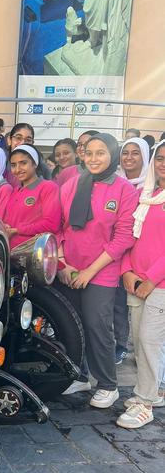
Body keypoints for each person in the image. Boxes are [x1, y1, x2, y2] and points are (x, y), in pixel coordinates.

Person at [56, 133, 139, 409]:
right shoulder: (71, 184)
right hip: (70, 266)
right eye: (89, 153)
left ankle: (107, 384)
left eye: (101, 153)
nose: (94, 159)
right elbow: (58, 226)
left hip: (102, 270)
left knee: (97, 325)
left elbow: (124, 237)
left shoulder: (124, 189)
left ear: (111, 155)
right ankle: (78, 375)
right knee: (71, 324)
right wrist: (62, 262)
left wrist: (90, 271)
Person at [117, 140, 165, 428]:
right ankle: (151, 389)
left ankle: (145, 400)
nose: (162, 163)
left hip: (159, 284)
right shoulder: (145, 194)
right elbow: (129, 238)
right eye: (159, 158)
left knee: (149, 339)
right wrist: (126, 271)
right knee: (140, 342)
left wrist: (152, 279)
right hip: (136, 280)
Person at [113, 136, 151, 364]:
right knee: (118, 303)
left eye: (135, 153)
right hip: (119, 251)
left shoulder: (152, 185)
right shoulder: (115, 182)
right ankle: (120, 344)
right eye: (125, 152)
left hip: (144, 255)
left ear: (145, 156)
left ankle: (145, 353)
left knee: (144, 308)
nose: (129, 157)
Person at [3, 145, 61, 248]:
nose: (17, 169)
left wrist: (18, 230)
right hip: (11, 250)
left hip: (33, 252)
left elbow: (52, 224)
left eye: (23, 163)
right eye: (13, 165)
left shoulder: (48, 187)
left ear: (35, 163)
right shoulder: (15, 189)